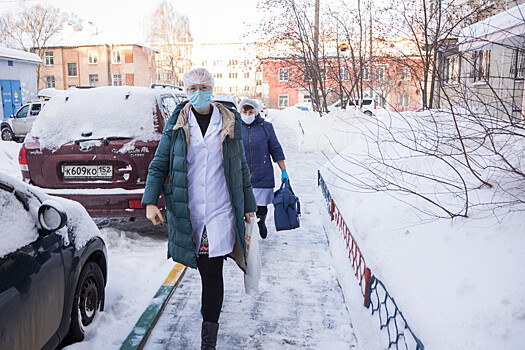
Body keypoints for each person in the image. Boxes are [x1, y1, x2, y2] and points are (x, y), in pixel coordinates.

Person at [141, 68, 257, 350]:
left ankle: (209, 339)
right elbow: (159, 164)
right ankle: (209, 318)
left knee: (212, 272)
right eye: (192, 88)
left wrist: (249, 205)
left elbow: (240, 166)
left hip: (220, 208)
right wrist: (149, 201)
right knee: (205, 269)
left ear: (212, 88)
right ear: (186, 91)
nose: (198, 92)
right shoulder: (176, 124)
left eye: (203, 86)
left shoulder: (230, 121)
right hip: (189, 208)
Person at [238, 98, 287, 238]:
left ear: (256, 112)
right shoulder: (235, 127)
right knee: (241, 207)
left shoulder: (266, 127)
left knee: (261, 207)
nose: (247, 114)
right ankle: (245, 234)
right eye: (244, 111)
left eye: (250, 111)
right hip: (241, 175)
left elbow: (276, 148)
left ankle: (261, 222)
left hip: (263, 173)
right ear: (240, 111)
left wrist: (283, 170)